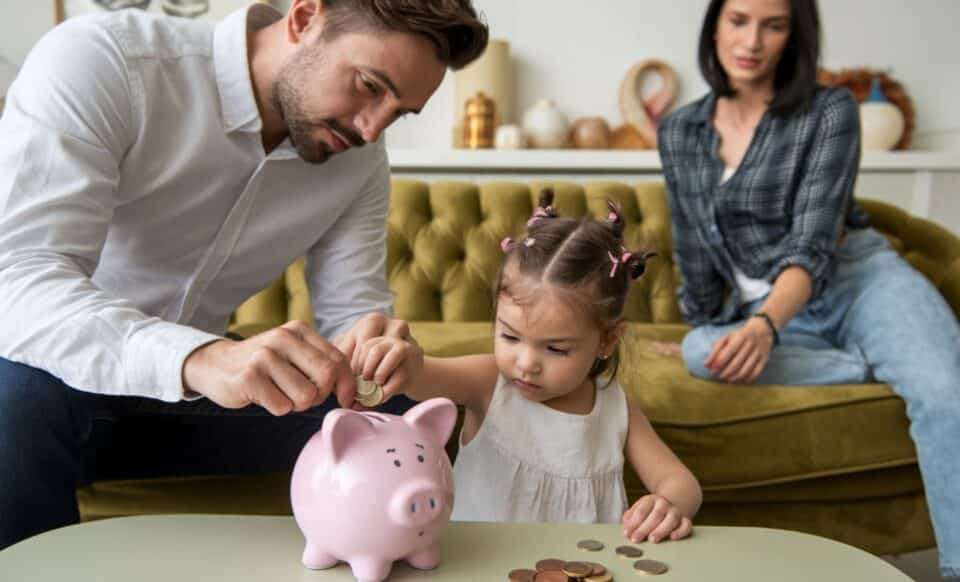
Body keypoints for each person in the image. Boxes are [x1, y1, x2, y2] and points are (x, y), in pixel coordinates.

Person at [0, 0, 488, 550]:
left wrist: (374, 351)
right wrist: (198, 357)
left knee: (393, 418)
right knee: (14, 394)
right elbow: (19, 278)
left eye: (399, 112)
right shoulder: (106, 61)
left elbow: (353, 312)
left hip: (182, 412)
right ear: (305, 18)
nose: (372, 129)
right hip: (50, 391)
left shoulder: (360, 161)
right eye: (369, 85)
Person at [656, 0, 960, 576]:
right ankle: (878, 362)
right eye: (739, 20)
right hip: (763, 313)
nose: (752, 41)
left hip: (857, 282)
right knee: (700, 352)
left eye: (773, 26)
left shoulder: (830, 110)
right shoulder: (679, 130)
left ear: (793, 36)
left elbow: (814, 241)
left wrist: (765, 326)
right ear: (715, 24)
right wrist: (702, 328)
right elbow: (690, 240)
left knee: (947, 392)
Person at [352, 189, 702, 543]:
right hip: (480, 567)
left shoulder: (614, 407)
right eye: (510, 337)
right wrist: (403, 359)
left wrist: (668, 504)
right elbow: (419, 377)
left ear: (607, 340)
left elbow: (681, 482)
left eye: (555, 349)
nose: (526, 364)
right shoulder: (488, 382)